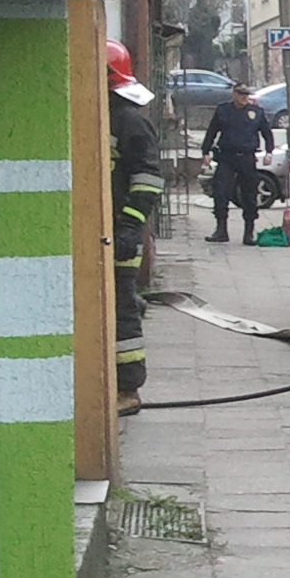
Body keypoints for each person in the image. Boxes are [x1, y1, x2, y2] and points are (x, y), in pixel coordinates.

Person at [107, 41, 163, 415]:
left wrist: (130, 226)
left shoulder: (128, 119)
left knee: (122, 307)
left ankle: (129, 389)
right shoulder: (100, 113)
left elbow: (148, 179)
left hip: (121, 233)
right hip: (101, 230)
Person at [201, 80, 276, 243]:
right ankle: (221, 229)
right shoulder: (223, 110)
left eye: (246, 95)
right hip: (227, 156)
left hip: (247, 157)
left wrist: (269, 151)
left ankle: (248, 232)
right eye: (241, 94)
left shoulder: (256, 112)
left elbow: (267, 134)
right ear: (234, 94)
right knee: (221, 192)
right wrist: (205, 151)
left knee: (249, 194)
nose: (244, 97)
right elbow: (212, 131)